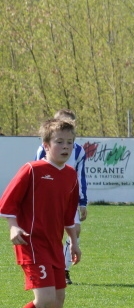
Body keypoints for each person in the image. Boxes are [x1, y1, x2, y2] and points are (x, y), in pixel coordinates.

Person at [0, 118, 81, 308]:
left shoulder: (70, 175)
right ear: (46, 145)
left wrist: (75, 242)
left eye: (70, 142)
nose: (65, 147)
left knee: (57, 301)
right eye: (59, 142)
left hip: (54, 245)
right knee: (44, 299)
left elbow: (69, 215)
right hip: (32, 243)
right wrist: (13, 227)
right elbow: (7, 204)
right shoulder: (32, 170)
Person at [35, 109, 87, 285]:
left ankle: (64, 270)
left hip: (69, 197)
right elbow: (37, 171)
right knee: (51, 232)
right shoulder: (44, 148)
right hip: (49, 199)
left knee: (75, 230)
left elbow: (81, 176)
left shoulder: (78, 151)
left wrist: (83, 201)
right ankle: (48, 266)